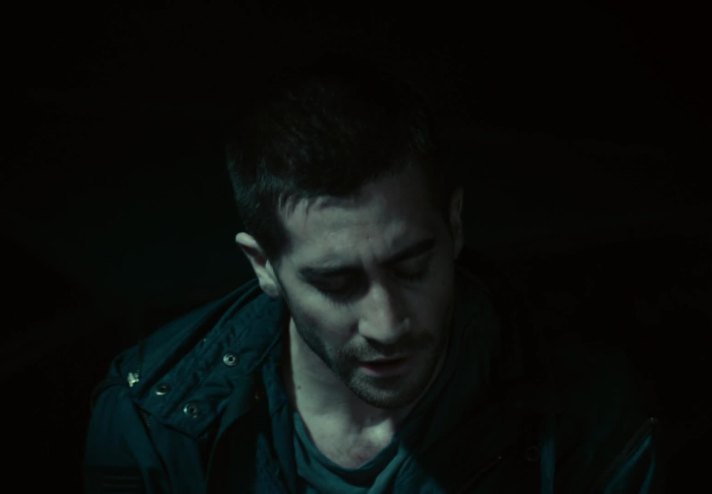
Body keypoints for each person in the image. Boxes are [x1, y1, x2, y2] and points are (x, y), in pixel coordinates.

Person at [84, 57, 659, 493]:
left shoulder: (586, 410)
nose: (387, 324)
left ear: (455, 225)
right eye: (336, 284)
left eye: (412, 267)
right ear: (264, 267)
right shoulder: (154, 422)